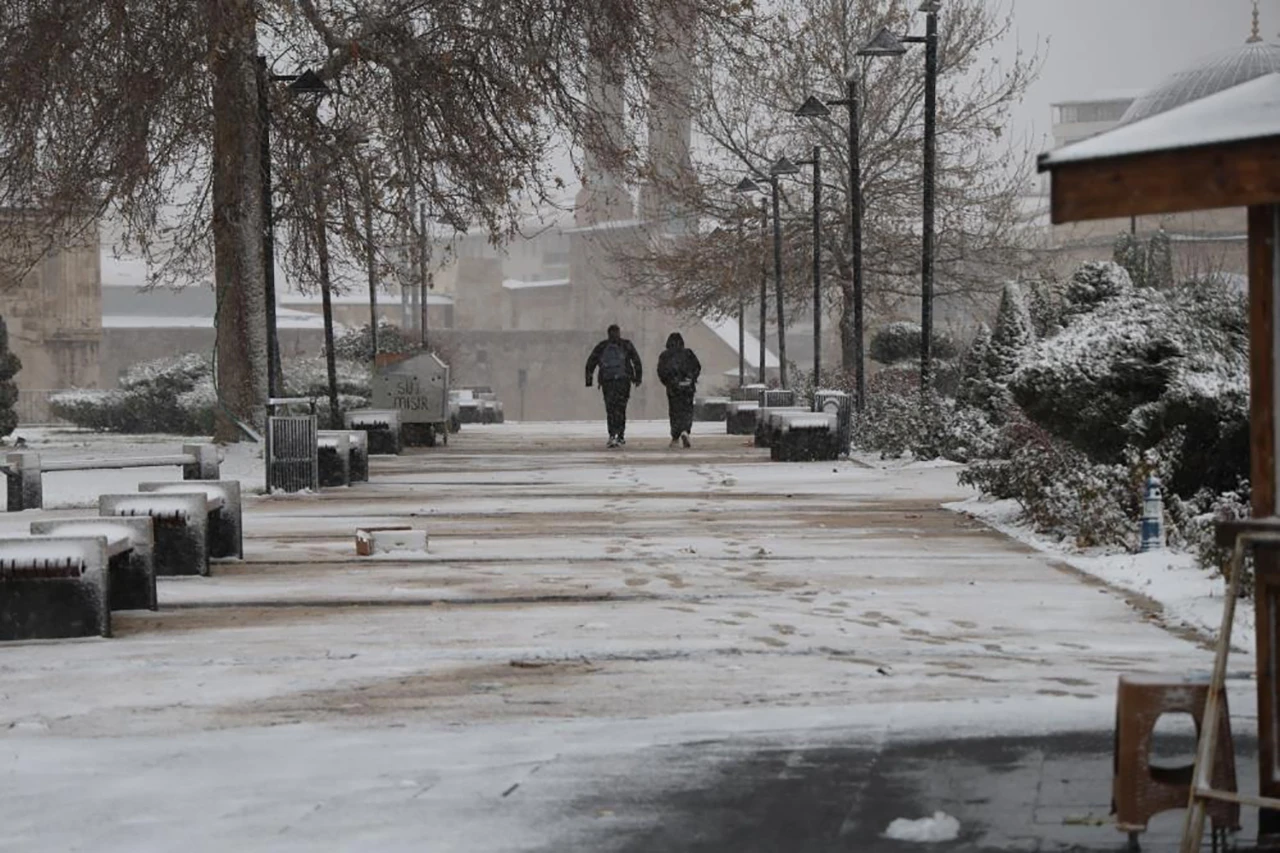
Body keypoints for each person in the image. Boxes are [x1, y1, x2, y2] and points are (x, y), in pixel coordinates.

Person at [585, 324, 642, 448]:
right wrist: (638, 378)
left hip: (608, 381)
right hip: (623, 380)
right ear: (619, 333)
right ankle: (620, 435)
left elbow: (591, 362)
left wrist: (589, 379)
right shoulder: (626, 345)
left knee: (610, 408)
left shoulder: (602, 346)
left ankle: (612, 434)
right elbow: (636, 360)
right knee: (621, 408)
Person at [657, 331, 701, 449]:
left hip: (673, 388)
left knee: (675, 411)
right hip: (688, 387)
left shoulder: (665, 355)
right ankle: (685, 430)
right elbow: (697, 367)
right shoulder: (688, 353)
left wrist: (669, 383)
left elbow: (661, 372)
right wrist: (691, 379)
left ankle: (675, 436)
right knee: (687, 410)